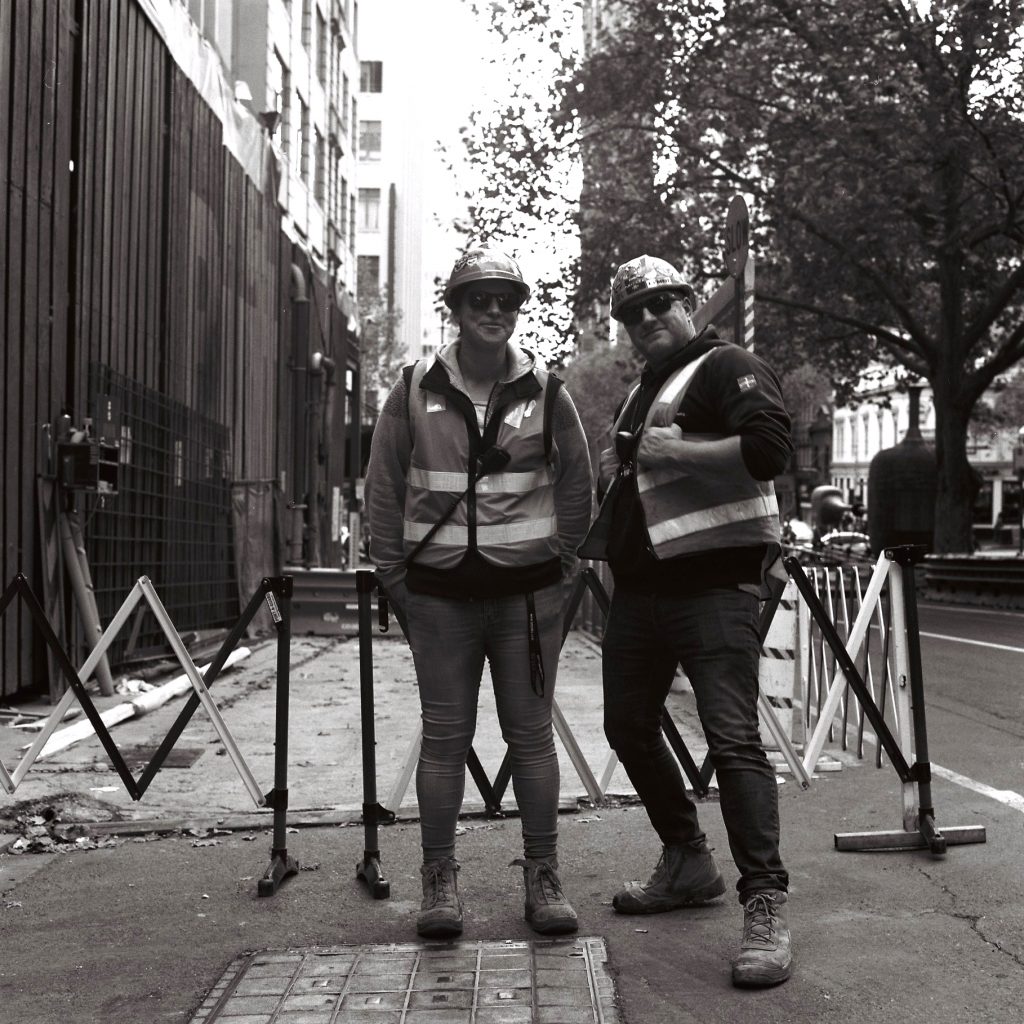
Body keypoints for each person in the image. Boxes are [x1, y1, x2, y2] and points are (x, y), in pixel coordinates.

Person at [365, 246, 593, 939]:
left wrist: (560, 568)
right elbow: (383, 490)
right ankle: (440, 881)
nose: (494, 311)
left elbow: (579, 484)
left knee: (531, 739)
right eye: (479, 299)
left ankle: (544, 876)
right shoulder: (412, 389)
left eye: (506, 300)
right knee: (444, 738)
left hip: (526, 598)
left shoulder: (548, 392)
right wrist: (397, 580)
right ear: (456, 310)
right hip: (437, 597)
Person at [584, 254, 794, 988]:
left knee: (733, 741)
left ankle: (765, 903)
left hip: (713, 588)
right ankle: (687, 860)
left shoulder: (727, 364)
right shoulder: (641, 391)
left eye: (661, 303)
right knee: (627, 725)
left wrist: (684, 450)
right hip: (644, 591)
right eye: (631, 313)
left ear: (690, 302)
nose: (647, 319)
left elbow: (771, 451)